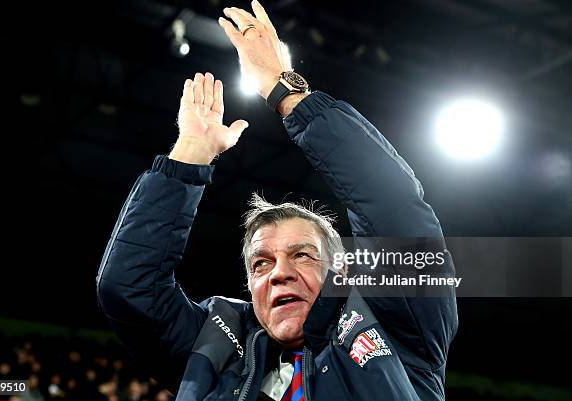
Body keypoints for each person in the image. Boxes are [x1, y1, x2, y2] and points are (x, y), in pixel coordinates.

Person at [96, 1, 458, 401]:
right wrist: (189, 155)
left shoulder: (395, 322)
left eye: (302, 255)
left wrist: (282, 89)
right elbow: (129, 287)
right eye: (260, 263)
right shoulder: (213, 348)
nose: (278, 274)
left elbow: (393, 206)